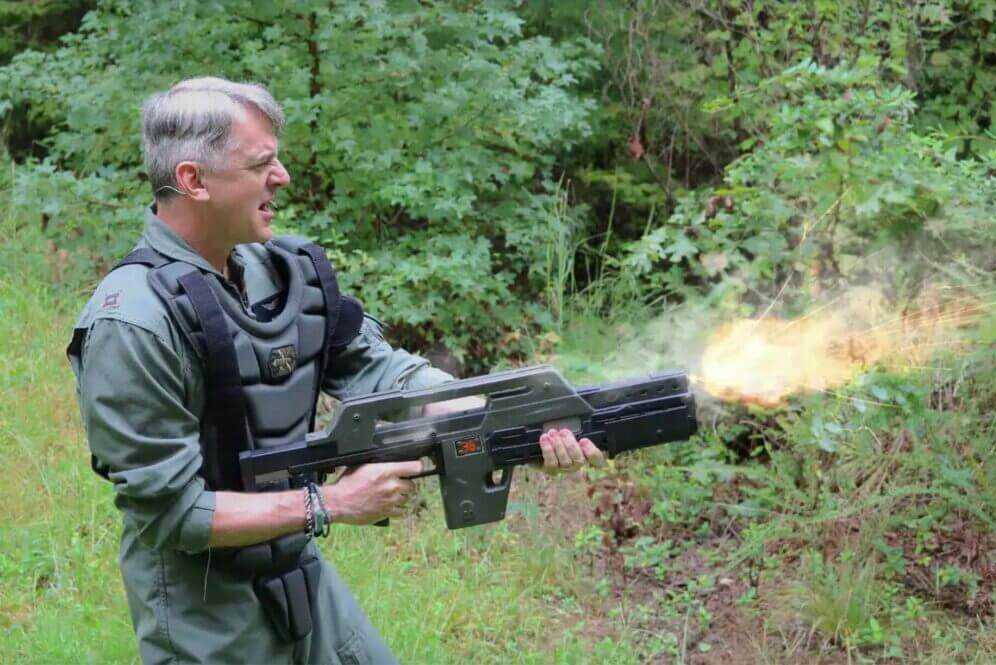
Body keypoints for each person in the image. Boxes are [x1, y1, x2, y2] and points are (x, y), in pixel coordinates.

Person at [67, 77, 606, 664]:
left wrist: (504, 418)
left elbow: (381, 371)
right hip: (204, 610)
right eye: (261, 164)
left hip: (300, 575)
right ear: (195, 180)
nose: (282, 177)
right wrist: (332, 503)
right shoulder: (133, 324)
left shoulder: (280, 273)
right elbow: (171, 513)